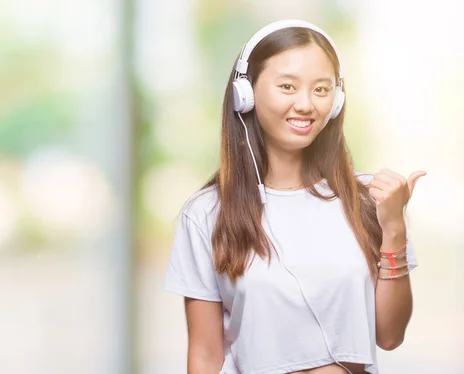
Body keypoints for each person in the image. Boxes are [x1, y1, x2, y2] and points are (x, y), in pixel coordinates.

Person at [164, 19, 426, 374]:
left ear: (337, 99)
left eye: (321, 89)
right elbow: (206, 356)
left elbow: (390, 335)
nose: (306, 104)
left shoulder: (369, 201)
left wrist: (394, 228)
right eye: (288, 86)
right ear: (247, 93)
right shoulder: (207, 214)